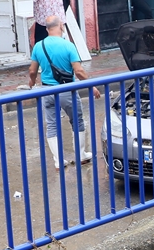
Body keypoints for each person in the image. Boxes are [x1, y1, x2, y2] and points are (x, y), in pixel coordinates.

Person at [27, 14, 100, 170]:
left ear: (47, 29)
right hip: (67, 90)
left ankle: (58, 161)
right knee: (77, 121)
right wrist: (91, 85)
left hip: (46, 90)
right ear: (60, 26)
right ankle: (80, 156)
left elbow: (32, 71)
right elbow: (79, 71)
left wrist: (32, 83)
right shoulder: (69, 46)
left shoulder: (39, 46)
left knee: (52, 124)